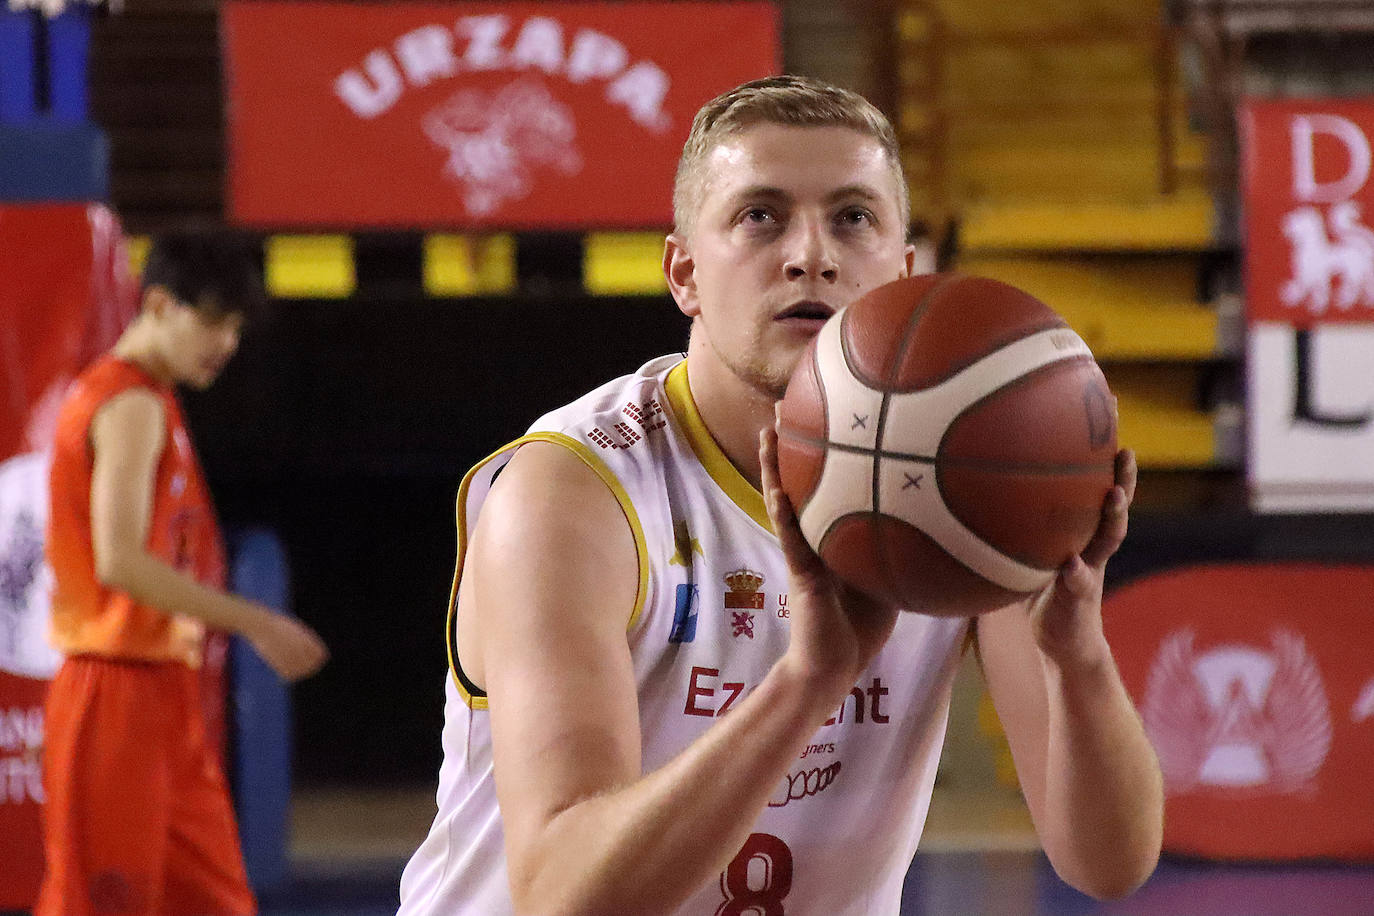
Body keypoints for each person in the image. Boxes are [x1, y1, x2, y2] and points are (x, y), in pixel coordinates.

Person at [398, 75, 1163, 915]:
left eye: (852, 217)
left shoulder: (965, 477)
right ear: (684, 273)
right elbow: (564, 896)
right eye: (760, 215)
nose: (811, 254)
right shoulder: (572, 493)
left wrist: (1078, 654)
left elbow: (1108, 863)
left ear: (905, 271)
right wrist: (809, 682)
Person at [37, 231, 329, 916]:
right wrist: (257, 621)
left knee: (217, 901)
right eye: (212, 321)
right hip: (112, 691)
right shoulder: (129, 403)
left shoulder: (157, 399)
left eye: (235, 327)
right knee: (104, 905)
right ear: (160, 304)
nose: (226, 343)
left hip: (162, 692)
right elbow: (122, 562)